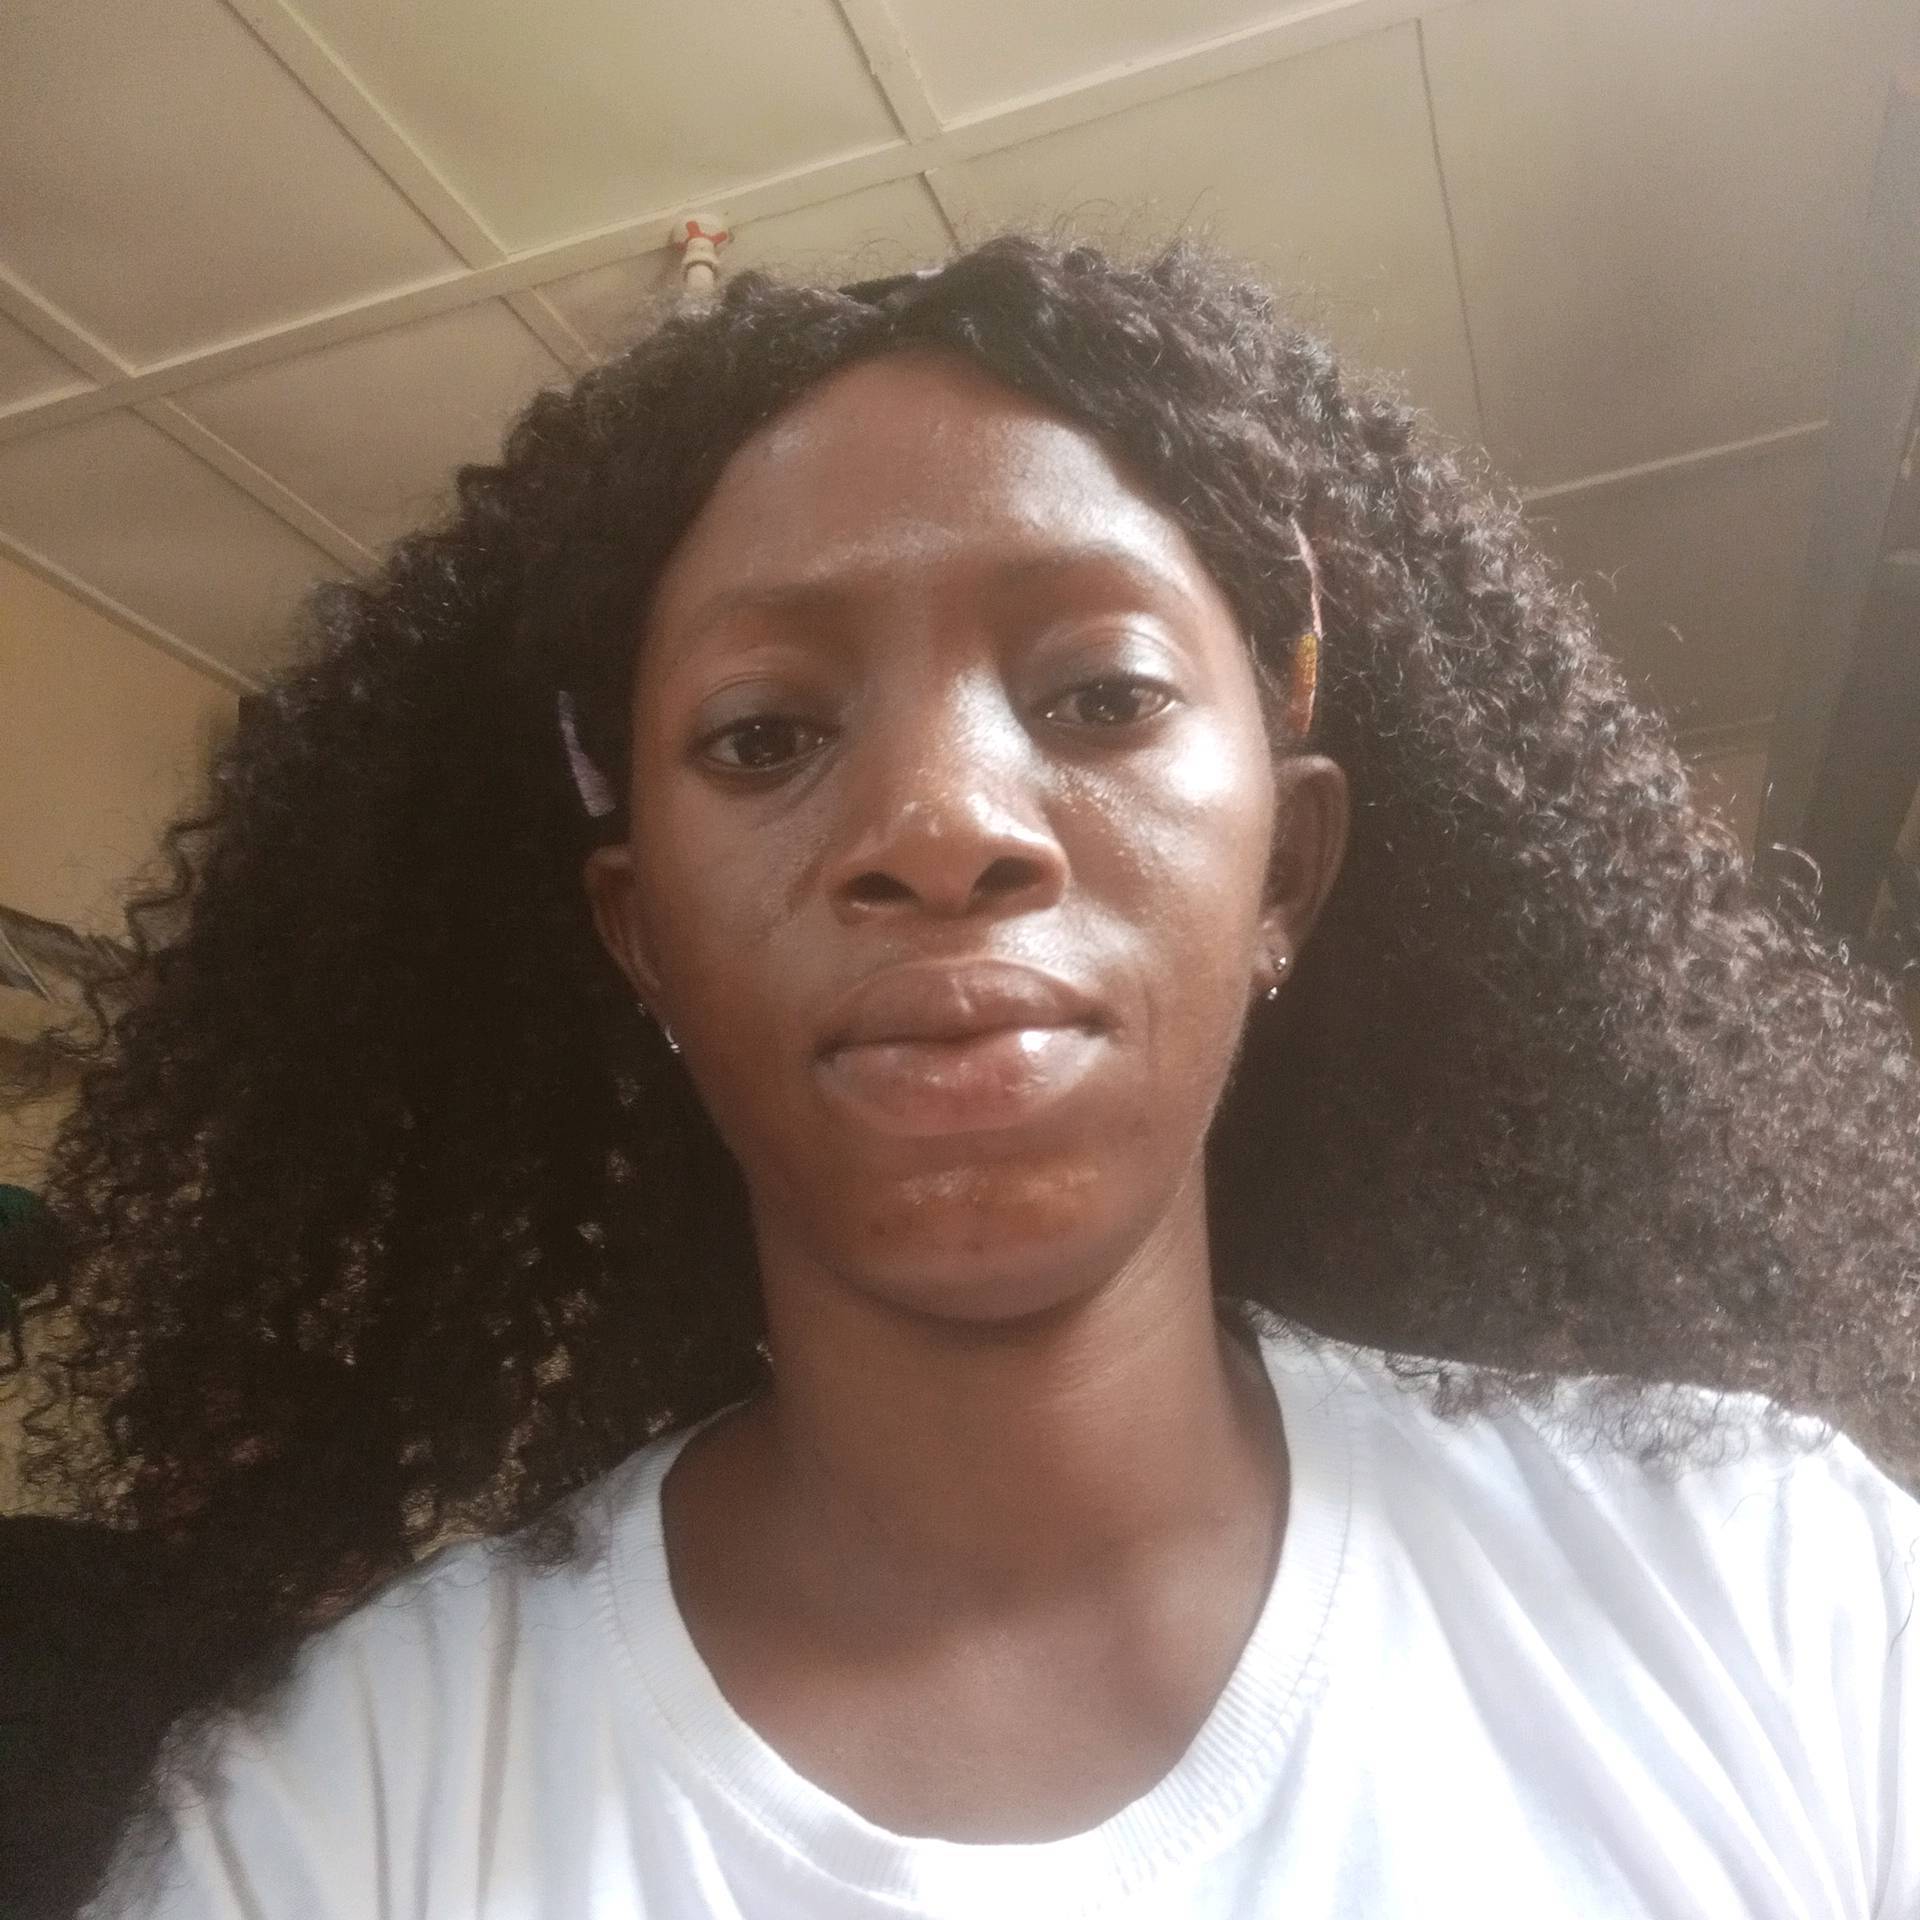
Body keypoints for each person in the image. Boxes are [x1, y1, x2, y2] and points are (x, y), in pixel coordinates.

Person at [13, 233, 1918, 1917]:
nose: (941, 826)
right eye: (765, 735)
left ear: (1288, 873)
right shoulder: (342, 1816)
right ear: (641, 938)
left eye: (1101, 695)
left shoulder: (1778, 1589)